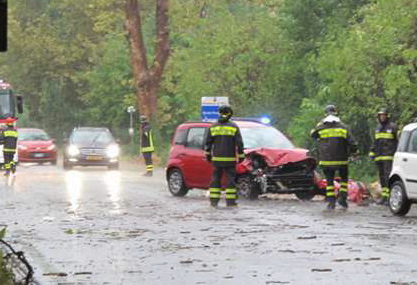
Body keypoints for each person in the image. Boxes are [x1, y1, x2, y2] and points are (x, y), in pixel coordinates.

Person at [311, 105, 358, 210]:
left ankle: (331, 202)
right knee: (344, 179)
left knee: (329, 181)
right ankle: (342, 199)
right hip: (341, 160)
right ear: (336, 113)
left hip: (326, 161)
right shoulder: (343, 127)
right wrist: (354, 152)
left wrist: (320, 123)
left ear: (325, 115)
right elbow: (353, 143)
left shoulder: (320, 127)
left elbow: (313, 135)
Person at [204, 105, 245, 208]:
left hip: (217, 160)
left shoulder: (213, 127)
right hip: (230, 160)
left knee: (215, 180)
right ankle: (231, 203)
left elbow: (207, 144)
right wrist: (241, 156)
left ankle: (214, 202)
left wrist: (208, 156)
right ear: (230, 113)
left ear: (219, 113)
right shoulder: (233, 127)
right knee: (230, 181)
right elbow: (239, 144)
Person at [369, 108, 398, 205]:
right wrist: (372, 152)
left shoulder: (393, 127)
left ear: (387, 116)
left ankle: (390, 197)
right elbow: (375, 142)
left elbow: (397, 141)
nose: (382, 117)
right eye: (380, 115)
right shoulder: (378, 128)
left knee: (388, 176)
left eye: (384, 115)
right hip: (379, 156)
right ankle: (384, 197)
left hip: (389, 156)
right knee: (382, 177)